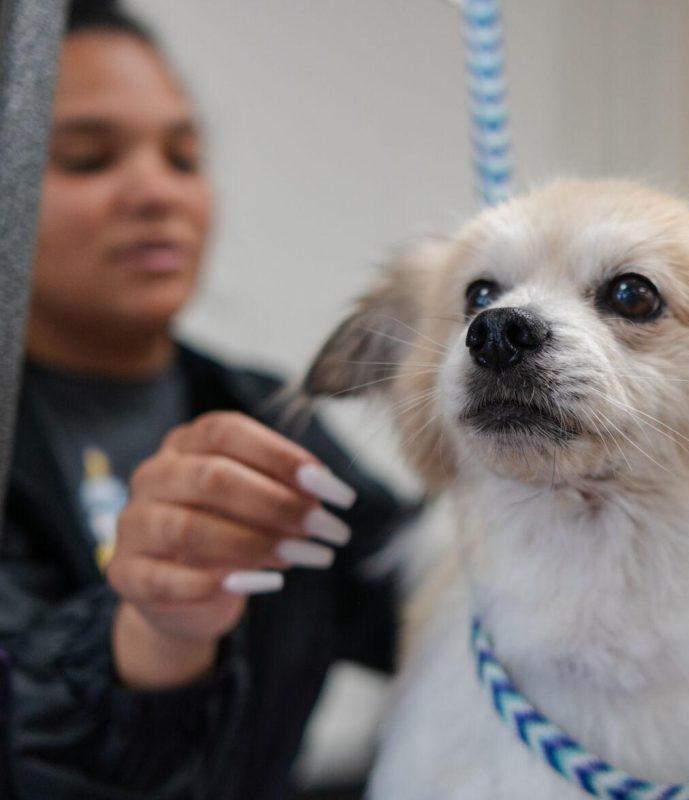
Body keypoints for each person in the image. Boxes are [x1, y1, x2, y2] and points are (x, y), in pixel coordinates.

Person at [0, 3, 420, 798]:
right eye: (89, 159)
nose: (155, 191)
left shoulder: (266, 413)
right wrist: (157, 625)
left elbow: (422, 605)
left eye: (184, 157)